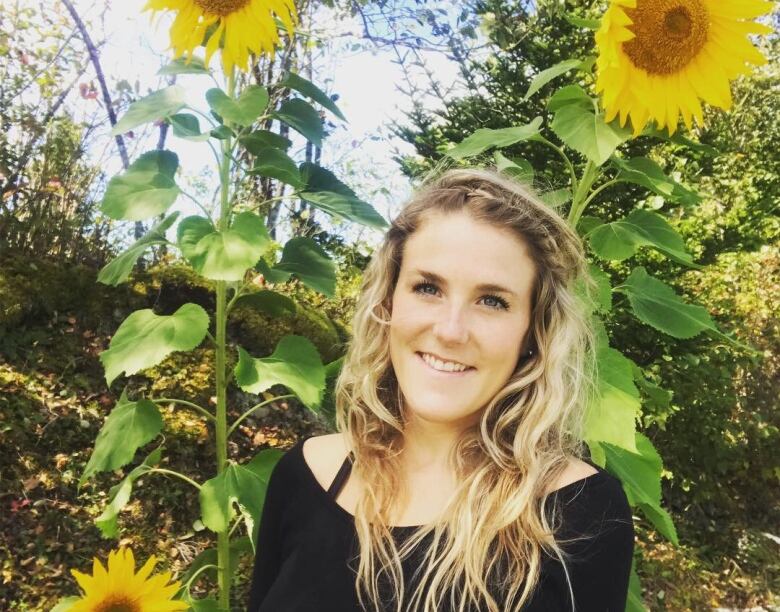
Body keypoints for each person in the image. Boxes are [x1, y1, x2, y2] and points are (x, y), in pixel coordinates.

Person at [247, 167, 634, 612]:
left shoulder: (580, 514)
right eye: (427, 288)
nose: (450, 331)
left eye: (492, 301)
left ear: (533, 332)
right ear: (389, 302)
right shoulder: (305, 475)